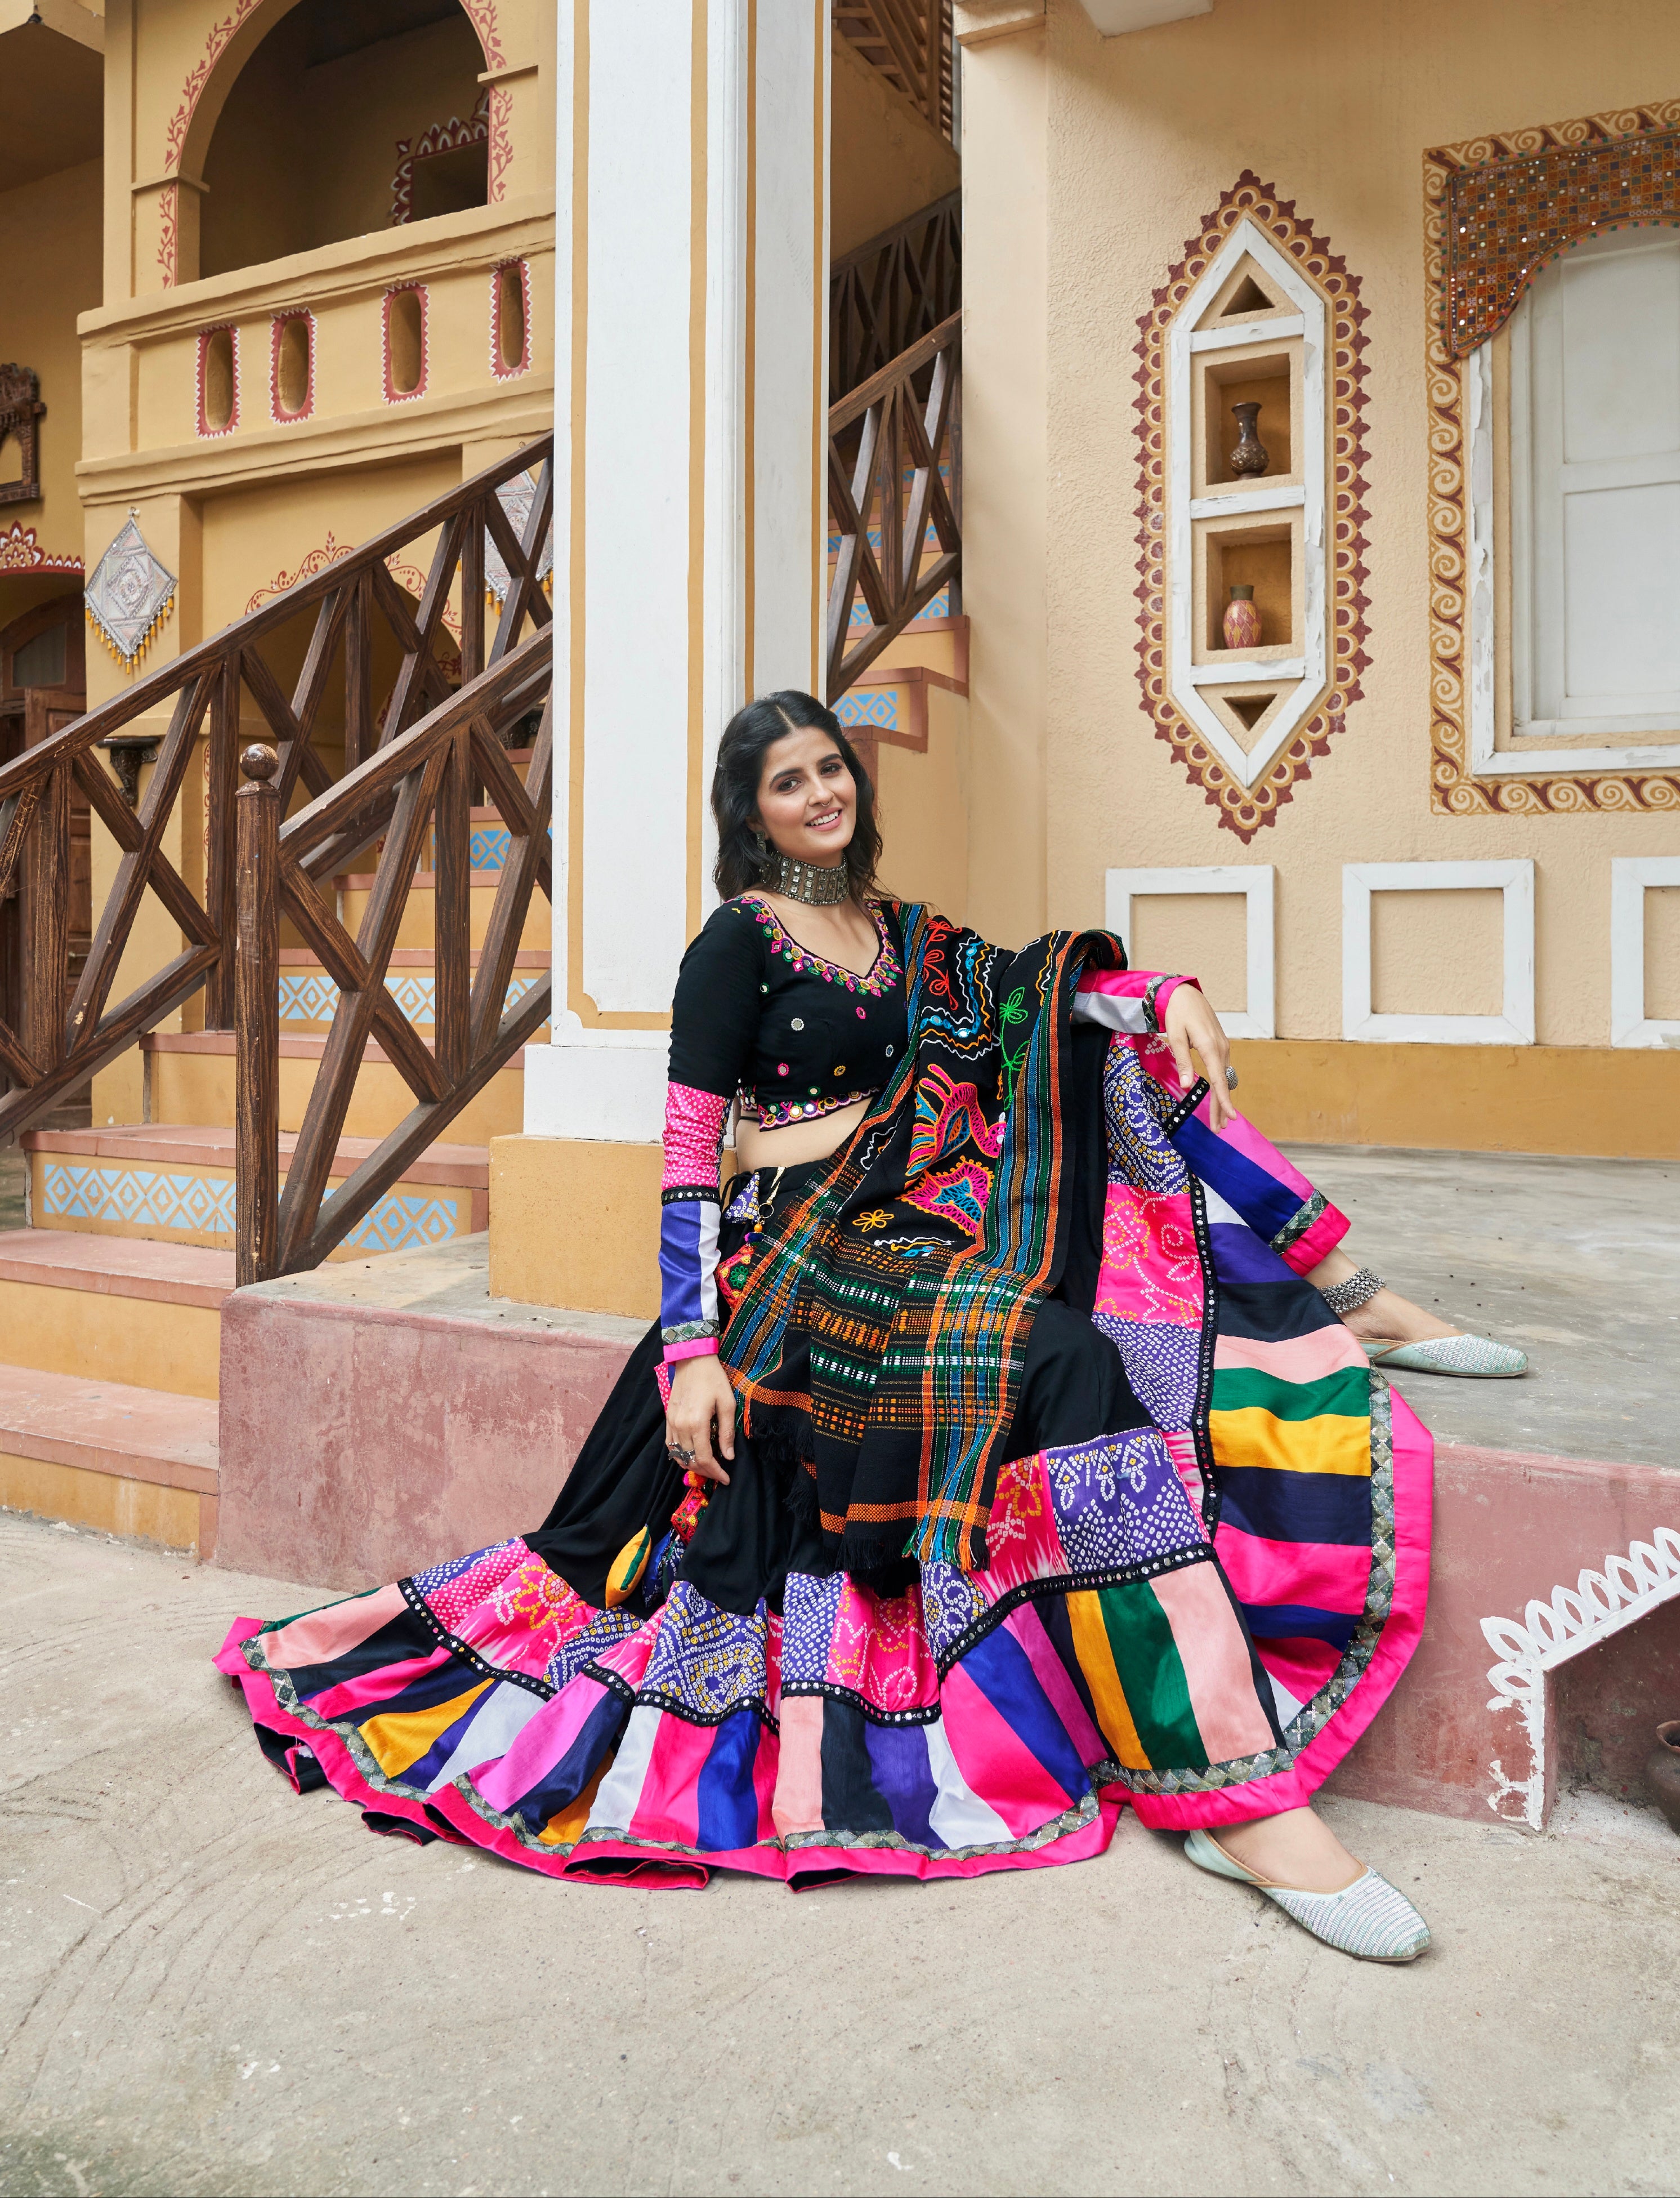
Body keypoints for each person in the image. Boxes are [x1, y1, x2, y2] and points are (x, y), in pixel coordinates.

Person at [218, 692, 1525, 1952]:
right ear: (752, 812)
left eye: (830, 765)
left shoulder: (907, 932)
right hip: (790, 1252)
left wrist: (1159, 988)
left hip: (914, 1228)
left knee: (1118, 1070)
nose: (819, 790)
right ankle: (1234, 1789)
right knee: (1064, 1356)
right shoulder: (734, 942)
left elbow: (1026, 992)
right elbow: (686, 1158)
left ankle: (1347, 1299)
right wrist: (688, 1351)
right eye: (787, 780)